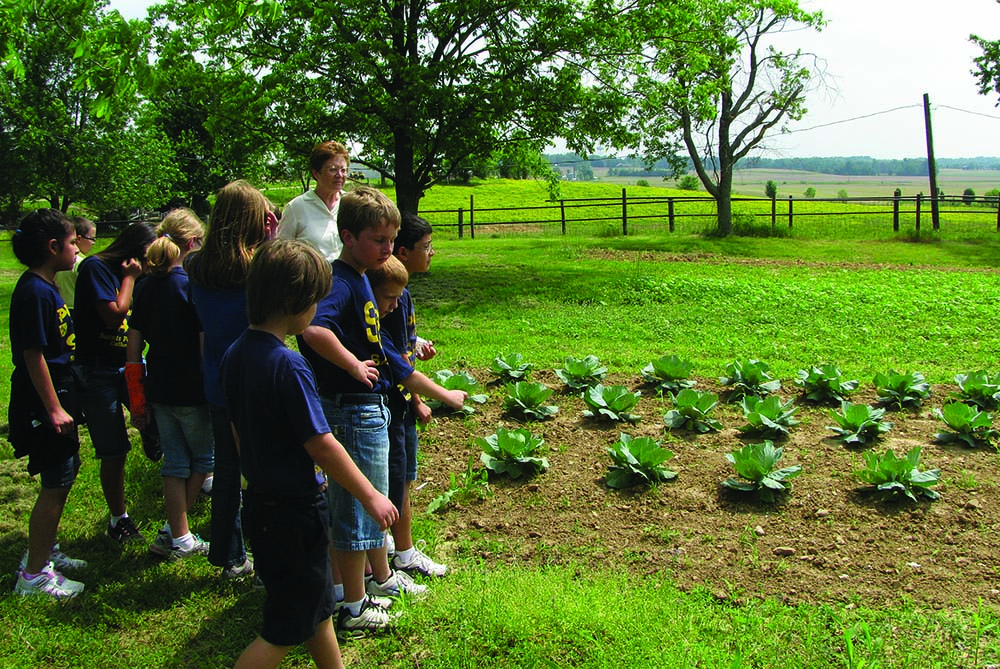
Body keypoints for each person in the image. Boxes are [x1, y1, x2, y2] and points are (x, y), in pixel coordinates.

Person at [221, 239, 398, 669]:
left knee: (316, 607)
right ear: (295, 302)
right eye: (315, 302)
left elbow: (235, 428)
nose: (318, 310)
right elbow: (321, 443)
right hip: (294, 510)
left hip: (261, 502)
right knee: (285, 628)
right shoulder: (289, 365)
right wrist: (370, 495)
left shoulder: (234, 354)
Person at [300, 187, 464, 639]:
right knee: (354, 506)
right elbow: (313, 328)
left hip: (365, 406)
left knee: (364, 503)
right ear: (348, 236)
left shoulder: (362, 277)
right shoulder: (341, 280)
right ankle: (354, 607)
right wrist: (352, 364)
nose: (388, 249)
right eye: (379, 240)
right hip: (350, 408)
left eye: (392, 240)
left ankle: (367, 583)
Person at [185, 180, 271, 579]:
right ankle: (265, 555)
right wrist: (272, 242)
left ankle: (227, 555)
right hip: (254, 381)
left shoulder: (196, 266)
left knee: (227, 472)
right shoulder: (256, 267)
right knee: (262, 473)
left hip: (215, 380)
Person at [126, 208, 212, 561]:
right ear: (192, 243)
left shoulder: (144, 286)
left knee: (175, 461)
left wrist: (136, 397)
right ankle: (173, 532)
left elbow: (133, 347)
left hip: (158, 387)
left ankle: (177, 535)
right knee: (204, 460)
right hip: (191, 388)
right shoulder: (193, 287)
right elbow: (204, 343)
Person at [9, 209, 87, 598]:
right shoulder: (34, 291)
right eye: (73, 242)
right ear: (53, 247)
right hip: (43, 400)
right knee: (55, 483)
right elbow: (32, 354)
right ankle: (34, 576)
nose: (77, 249)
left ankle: (47, 550)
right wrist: (54, 408)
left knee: (66, 474)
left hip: (60, 392)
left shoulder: (48, 285)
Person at [367, 249, 458, 578]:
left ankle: (394, 546)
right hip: (390, 406)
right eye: (427, 244)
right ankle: (400, 554)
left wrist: (417, 401)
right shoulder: (381, 314)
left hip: (402, 403)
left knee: (400, 478)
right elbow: (402, 369)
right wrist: (446, 395)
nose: (393, 303)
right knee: (395, 482)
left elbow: (404, 355)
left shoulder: (392, 298)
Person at [74, 221, 156, 543]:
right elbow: (114, 314)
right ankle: (117, 519)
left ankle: (152, 434)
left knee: (157, 416)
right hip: (98, 373)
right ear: (134, 254)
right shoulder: (96, 268)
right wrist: (130, 279)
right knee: (114, 449)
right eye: (148, 258)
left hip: (128, 366)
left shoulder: (136, 276)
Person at [277, 141, 350, 262]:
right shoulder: (296, 208)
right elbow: (281, 253)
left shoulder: (351, 204)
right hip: (312, 279)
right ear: (316, 173)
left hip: (347, 279)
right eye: (333, 170)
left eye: (343, 170)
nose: (339, 175)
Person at [54, 216, 97, 320]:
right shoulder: (82, 263)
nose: (94, 243)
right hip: (78, 310)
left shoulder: (57, 260)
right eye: (92, 238)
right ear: (78, 238)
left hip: (60, 308)